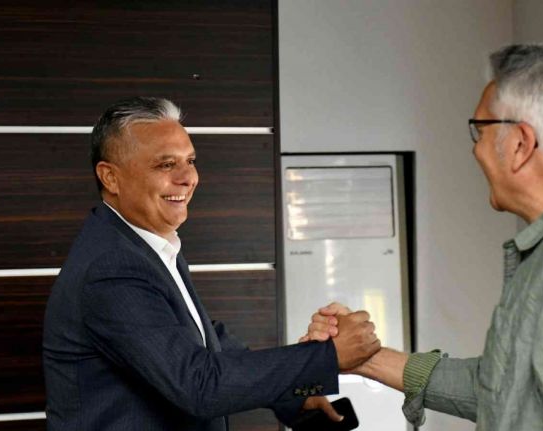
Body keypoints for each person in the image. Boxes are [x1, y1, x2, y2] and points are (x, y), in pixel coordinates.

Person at [306, 44, 543, 430]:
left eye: (480, 130)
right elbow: (503, 391)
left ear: (521, 144)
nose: (476, 149)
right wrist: (365, 357)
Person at [42, 97, 381, 430]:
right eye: (166, 165)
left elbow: (202, 340)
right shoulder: (112, 268)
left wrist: (293, 394)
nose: (188, 177)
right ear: (110, 178)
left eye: (190, 161)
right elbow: (198, 385)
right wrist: (327, 357)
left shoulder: (144, 245)